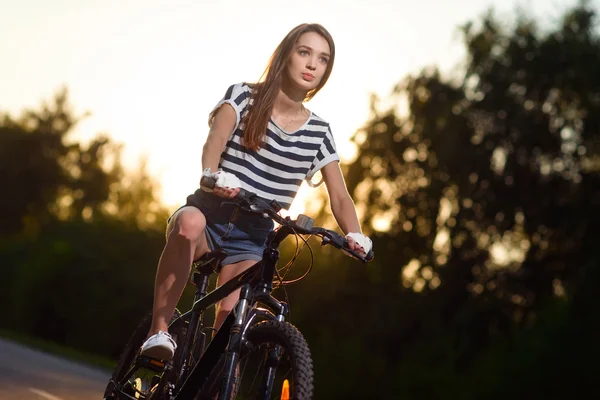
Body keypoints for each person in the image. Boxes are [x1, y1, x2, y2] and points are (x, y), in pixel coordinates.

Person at [139, 22, 373, 360]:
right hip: (209, 213)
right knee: (188, 224)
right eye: (304, 52)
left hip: (255, 235)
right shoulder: (243, 96)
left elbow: (339, 195)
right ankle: (157, 332)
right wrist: (212, 175)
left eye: (322, 60)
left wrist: (355, 234)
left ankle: (219, 385)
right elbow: (215, 140)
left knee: (229, 327)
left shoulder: (319, 132)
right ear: (285, 55)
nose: (312, 65)